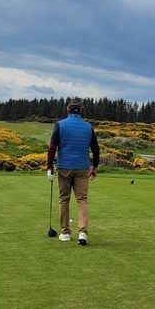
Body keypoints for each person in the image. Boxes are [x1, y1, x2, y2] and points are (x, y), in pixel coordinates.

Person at [46, 98, 100, 246]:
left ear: (68, 110)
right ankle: (82, 232)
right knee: (82, 199)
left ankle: (65, 233)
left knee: (64, 199)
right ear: (81, 111)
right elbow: (95, 149)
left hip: (64, 167)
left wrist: (49, 167)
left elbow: (52, 148)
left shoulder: (60, 125)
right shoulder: (88, 127)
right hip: (82, 167)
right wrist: (94, 167)